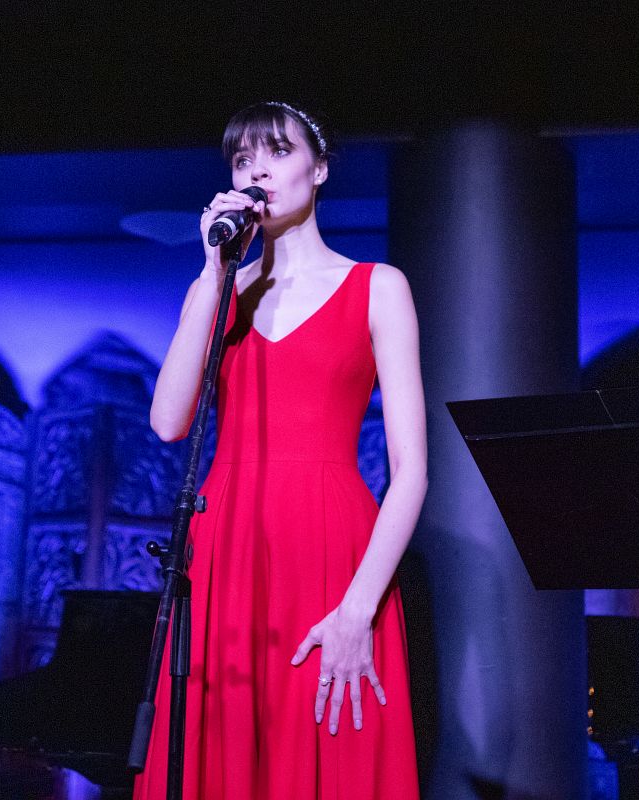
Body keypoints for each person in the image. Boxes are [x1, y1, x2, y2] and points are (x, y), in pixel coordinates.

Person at [137, 101, 427, 800]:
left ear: (319, 169)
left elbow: (412, 471)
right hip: (227, 549)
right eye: (243, 159)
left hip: (331, 557)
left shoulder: (378, 288)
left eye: (277, 151)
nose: (257, 171)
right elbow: (168, 421)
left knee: (326, 749)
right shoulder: (221, 291)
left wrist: (359, 608)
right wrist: (214, 274)